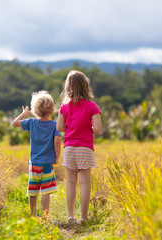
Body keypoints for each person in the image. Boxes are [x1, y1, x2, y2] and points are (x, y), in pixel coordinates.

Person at [57, 70, 102, 224]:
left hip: (69, 148)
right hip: (85, 148)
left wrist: (71, 128)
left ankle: (71, 216)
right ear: (85, 86)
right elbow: (97, 129)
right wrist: (88, 129)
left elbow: (59, 127)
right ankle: (83, 217)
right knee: (84, 183)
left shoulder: (64, 107)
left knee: (70, 182)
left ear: (68, 87)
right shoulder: (92, 106)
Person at [12, 90, 61, 217]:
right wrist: (57, 157)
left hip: (34, 163)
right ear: (51, 109)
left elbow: (14, 123)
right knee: (46, 191)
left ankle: (33, 215)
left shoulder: (31, 122)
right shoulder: (55, 125)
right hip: (48, 162)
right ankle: (45, 216)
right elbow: (57, 142)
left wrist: (24, 114)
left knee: (33, 189)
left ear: (35, 109)